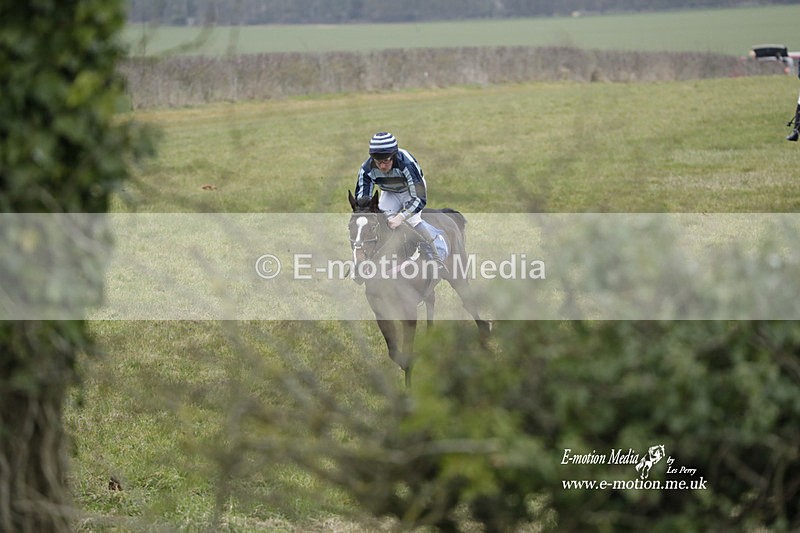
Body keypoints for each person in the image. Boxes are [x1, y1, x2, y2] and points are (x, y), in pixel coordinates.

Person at [354, 131, 446, 267]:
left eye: (386, 161)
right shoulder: (366, 168)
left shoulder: (407, 164)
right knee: (381, 220)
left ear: (394, 156)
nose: (382, 166)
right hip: (389, 191)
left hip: (411, 190)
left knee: (413, 220)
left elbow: (419, 198)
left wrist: (401, 217)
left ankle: (436, 252)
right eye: (378, 162)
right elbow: (363, 200)